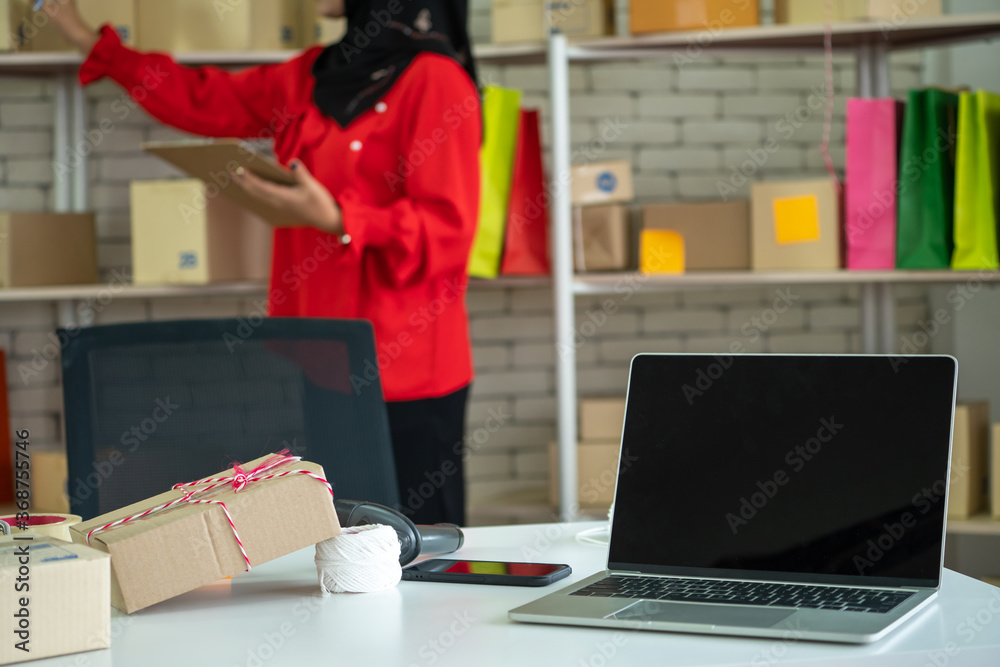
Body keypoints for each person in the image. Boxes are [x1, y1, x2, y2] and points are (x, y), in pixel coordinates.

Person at [45, 0, 481, 526]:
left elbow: (450, 232)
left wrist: (342, 218)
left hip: (410, 367)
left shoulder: (437, 81)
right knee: (342, 542)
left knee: (418, 547)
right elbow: (203, 98)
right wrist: (93, 43)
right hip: (323, 354)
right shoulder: (307, 75)